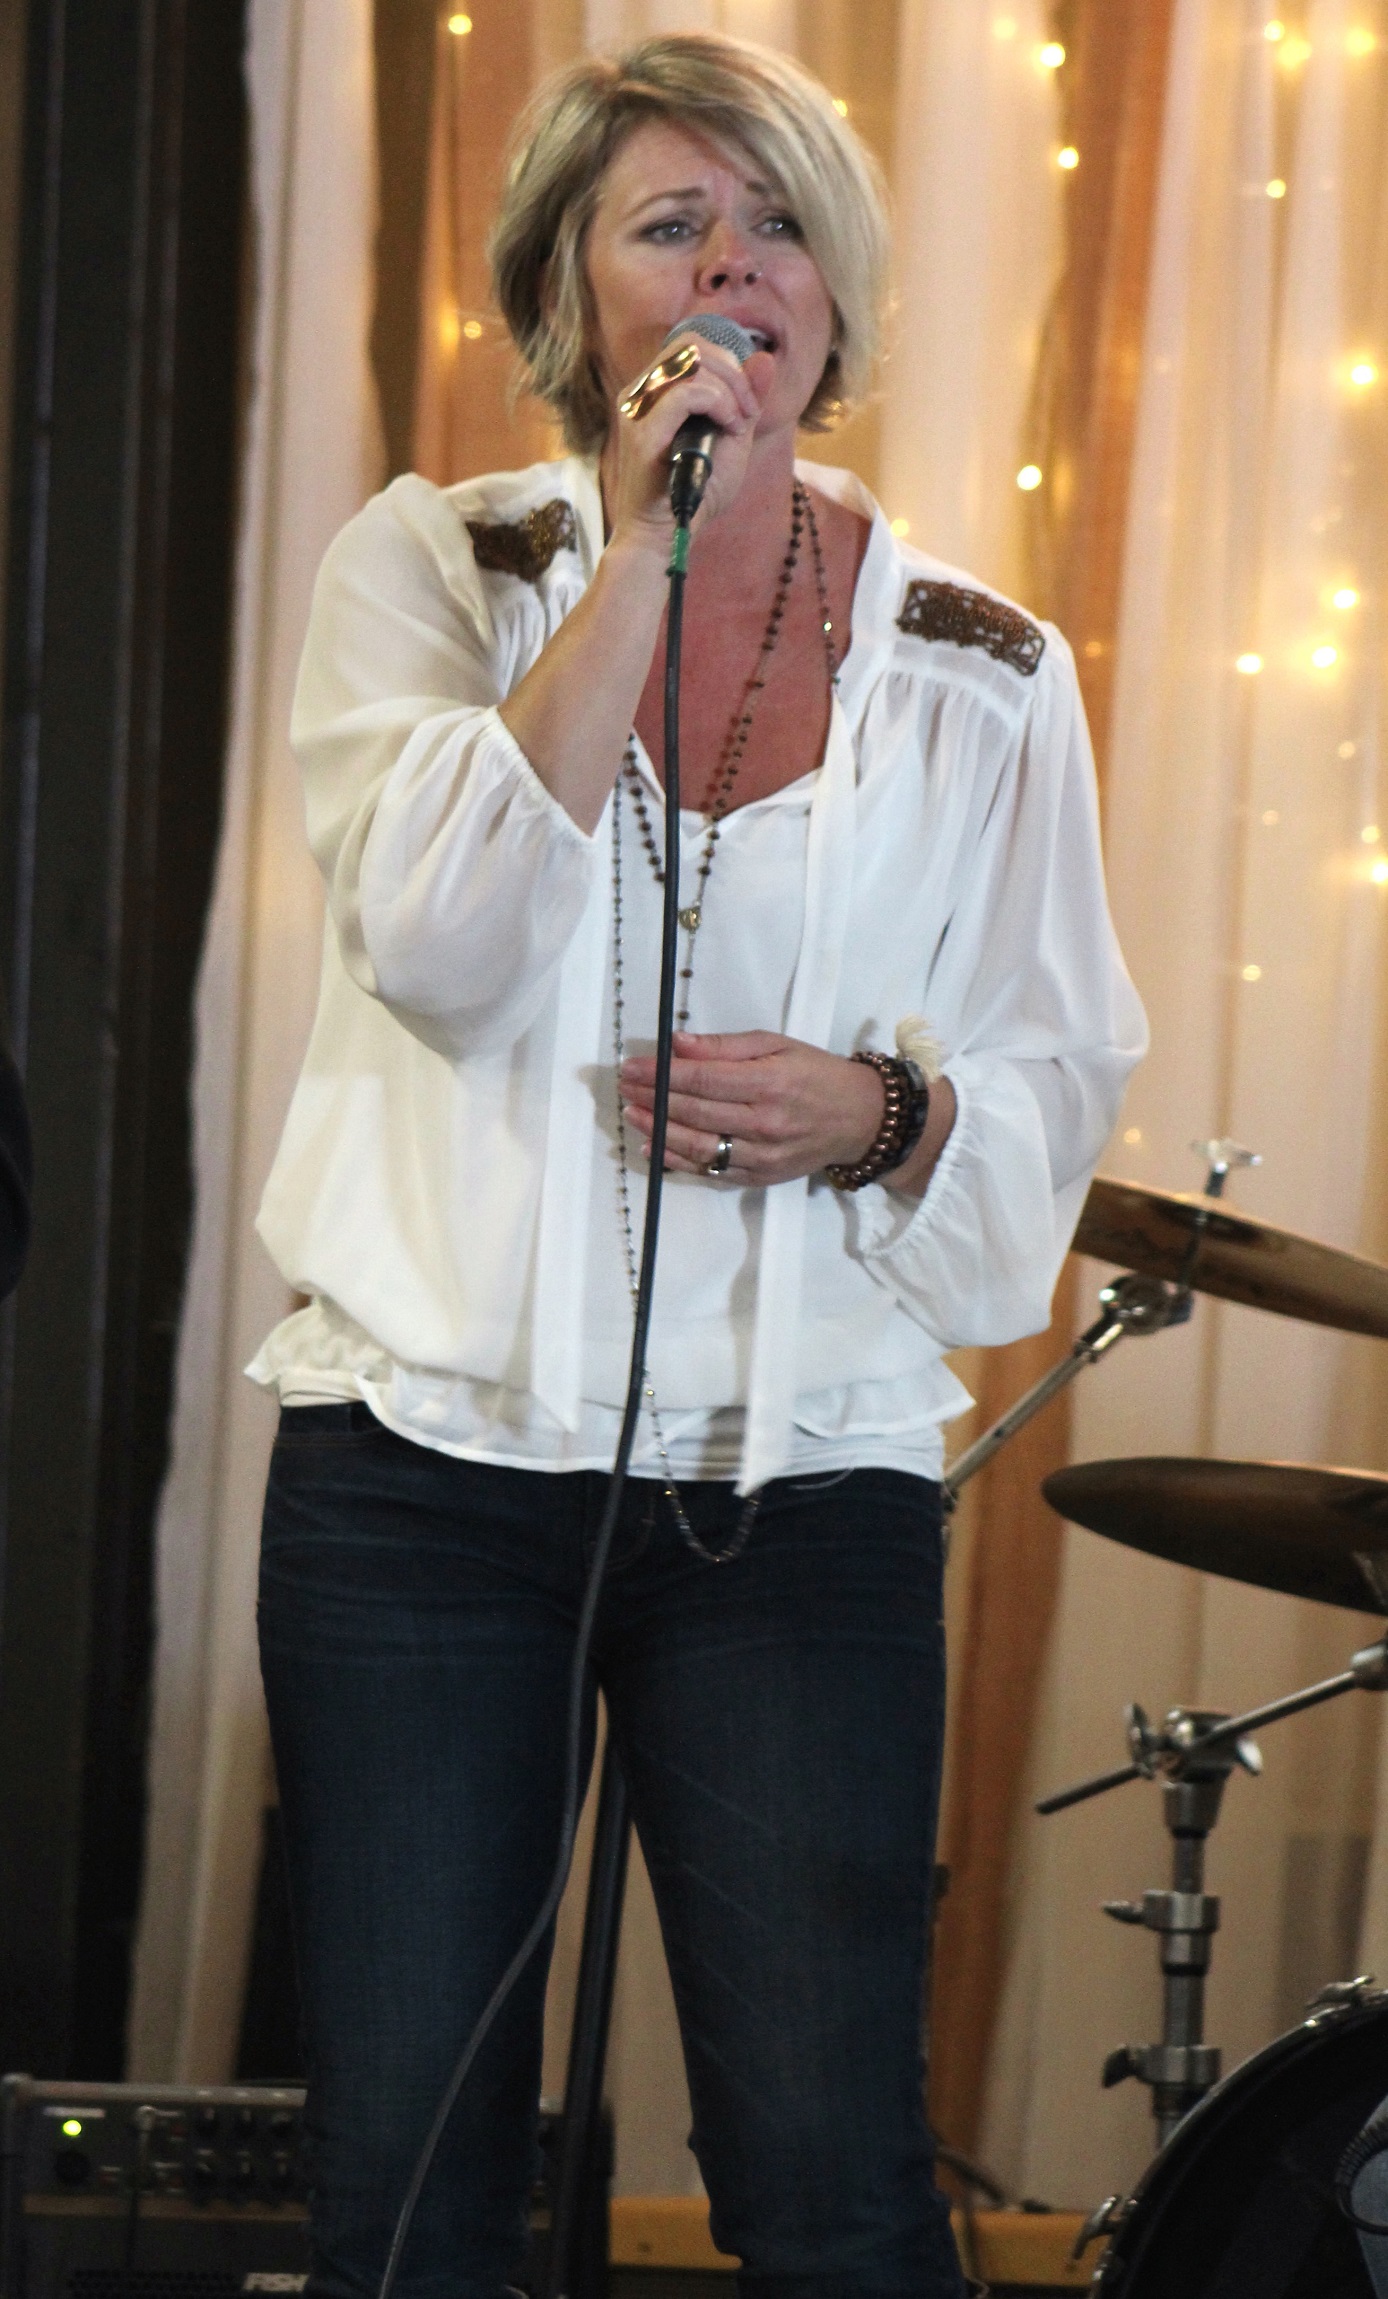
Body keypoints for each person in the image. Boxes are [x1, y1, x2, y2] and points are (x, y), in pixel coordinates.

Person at [249, 33, 1146, 2299]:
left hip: (796, 1492)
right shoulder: (435, 565)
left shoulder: (983, 669)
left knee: (834, 2185)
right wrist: (641, 561)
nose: (733, 269)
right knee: (409, 2186)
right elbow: (440, 947)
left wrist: (878, 1114)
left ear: (837, 301)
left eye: (776, 230)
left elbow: (1054, 1063)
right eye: (670, 226)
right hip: (428, 1479)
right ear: (575, 295)